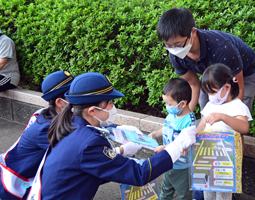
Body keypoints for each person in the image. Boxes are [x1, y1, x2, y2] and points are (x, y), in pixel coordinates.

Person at [26, 72, 197, 200]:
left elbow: (90, 168)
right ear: (92, 111)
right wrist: (177, 146)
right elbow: (139, 174)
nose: (113, 107)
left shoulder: (70, 124)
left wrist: (120, 155)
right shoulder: (88, 142)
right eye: (110, 103)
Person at [157, 8, 255, 115]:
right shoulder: (174, 55)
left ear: (193, 33)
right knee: (205, 108)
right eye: (168, 45)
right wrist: (185, 118)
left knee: (239, 115)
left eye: (178, 44)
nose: (174, 49)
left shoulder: (222, 48)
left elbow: (238, 90)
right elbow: (194, 84)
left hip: (242, 73)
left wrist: (228, 120)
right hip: (210, 72)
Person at [0, 71, 74, 200]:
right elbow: (74, 157)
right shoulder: (48, 128)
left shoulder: (44, 113)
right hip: (16, 184)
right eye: (73, 94)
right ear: (59, 102)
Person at [196, 63, 252, 200]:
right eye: (208, 93)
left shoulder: (237, 106)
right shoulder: (210, 105)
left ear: (227, 87)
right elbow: (201, 128)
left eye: (213, 92)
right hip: (207, 157)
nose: (210, 96)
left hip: (225, 161)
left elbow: (244, 128)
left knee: (223, 195)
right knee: (207, 192)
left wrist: (222, 117)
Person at [148, 78, 196, 200]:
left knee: (183, 194)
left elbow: (182, 143)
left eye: (170, 104)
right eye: (166, 103)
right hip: (167, 161)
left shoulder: (189, 121)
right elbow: (165, 128)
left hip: (181, 166)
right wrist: (155, 134)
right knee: (166, 190)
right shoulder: (172, 114)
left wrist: (164, 148)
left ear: (183, 103)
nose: (167, 107)